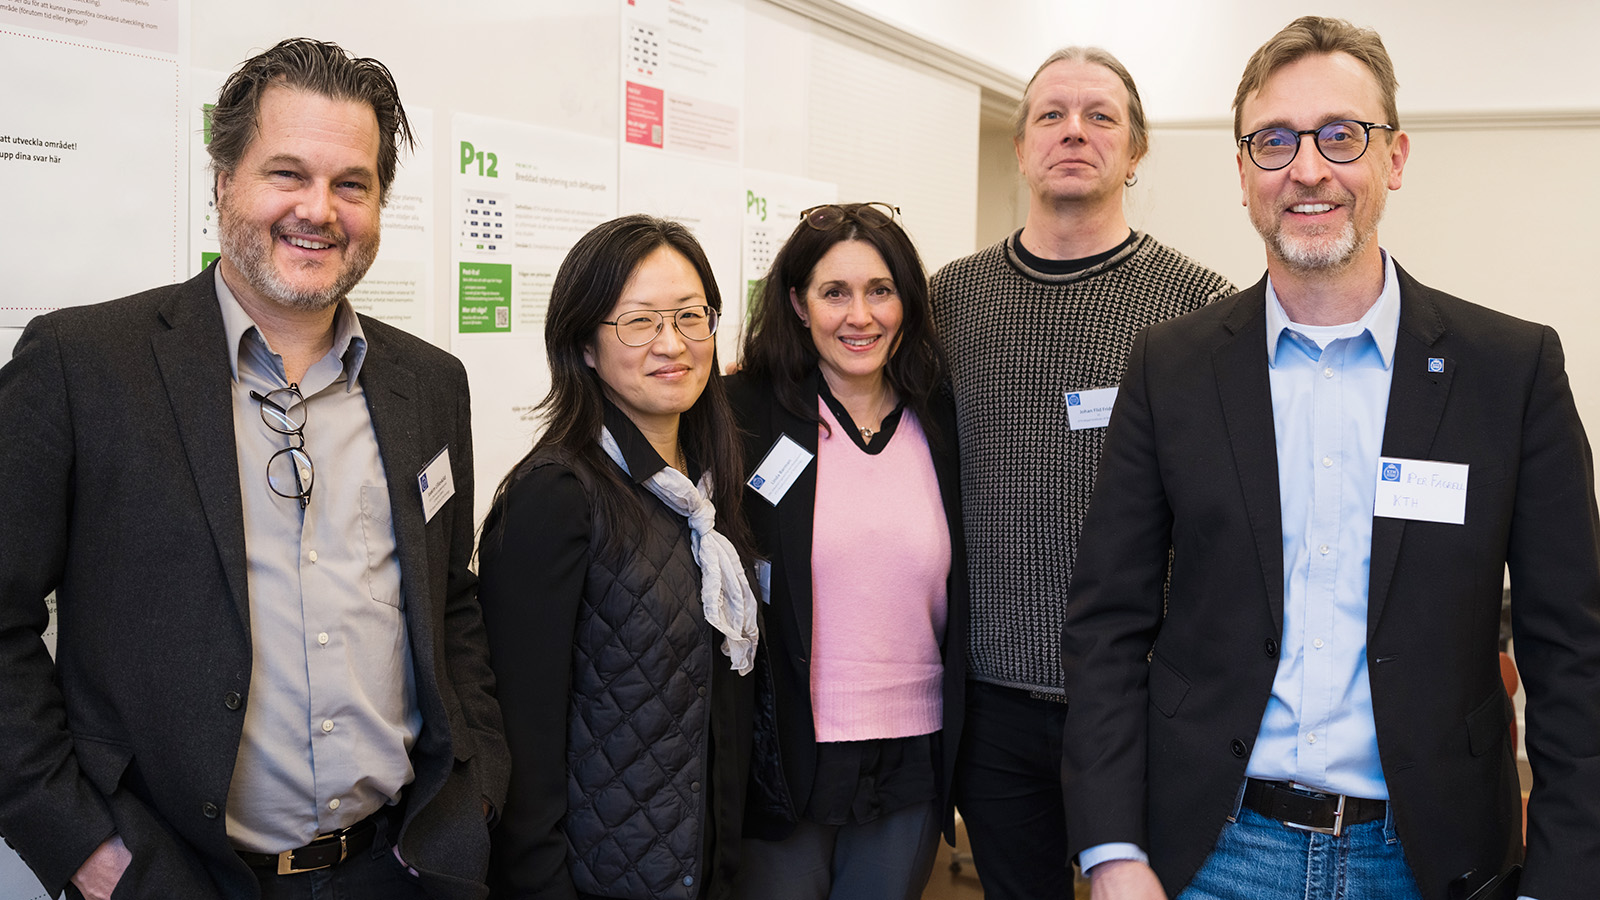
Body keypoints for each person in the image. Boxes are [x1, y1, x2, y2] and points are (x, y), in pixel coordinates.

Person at [1061, 15, 1600, 900]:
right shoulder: (1173, 368)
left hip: (1433, 861)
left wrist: (1563, 879)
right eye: (1274, 141)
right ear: (1242, 174)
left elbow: (1570, 652)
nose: (1307, 169)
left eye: (1341, 135)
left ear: (1394, 159)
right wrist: (1113, 853)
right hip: (1214, 852)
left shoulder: (1509, 371)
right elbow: (1107, 627)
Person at [0, 38, 509, 900]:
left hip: (396, 865)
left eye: (353, 184)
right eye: (287, 173)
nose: (320, 209)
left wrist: (474, 787)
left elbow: (448, 598)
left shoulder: (429, 383)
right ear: (224, 180)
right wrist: (86, 849)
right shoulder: (83, 364)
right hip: (170, 871)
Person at [928, 47, 1235, 898]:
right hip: (992, 703)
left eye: (1101, 116)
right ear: (1022, 148)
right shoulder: (952, 299)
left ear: (1135, 153)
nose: (1074, 131)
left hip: (1145, 704)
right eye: (1051, 115)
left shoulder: (1200, 308)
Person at [479, 214, 760, 900]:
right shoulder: (555, 496)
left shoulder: (704, 493)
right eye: (639, 322)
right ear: (583, 344)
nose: (673, 343)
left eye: (692, 316)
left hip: (700, 869)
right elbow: (522, 738)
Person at [726, 202, 968, 900]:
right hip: (787, 753)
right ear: (800, 305)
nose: (859, 315)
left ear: (907, 304)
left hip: (912, 754)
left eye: (880, 291)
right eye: (835, 292)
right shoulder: (741, 412)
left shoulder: (942, 417)